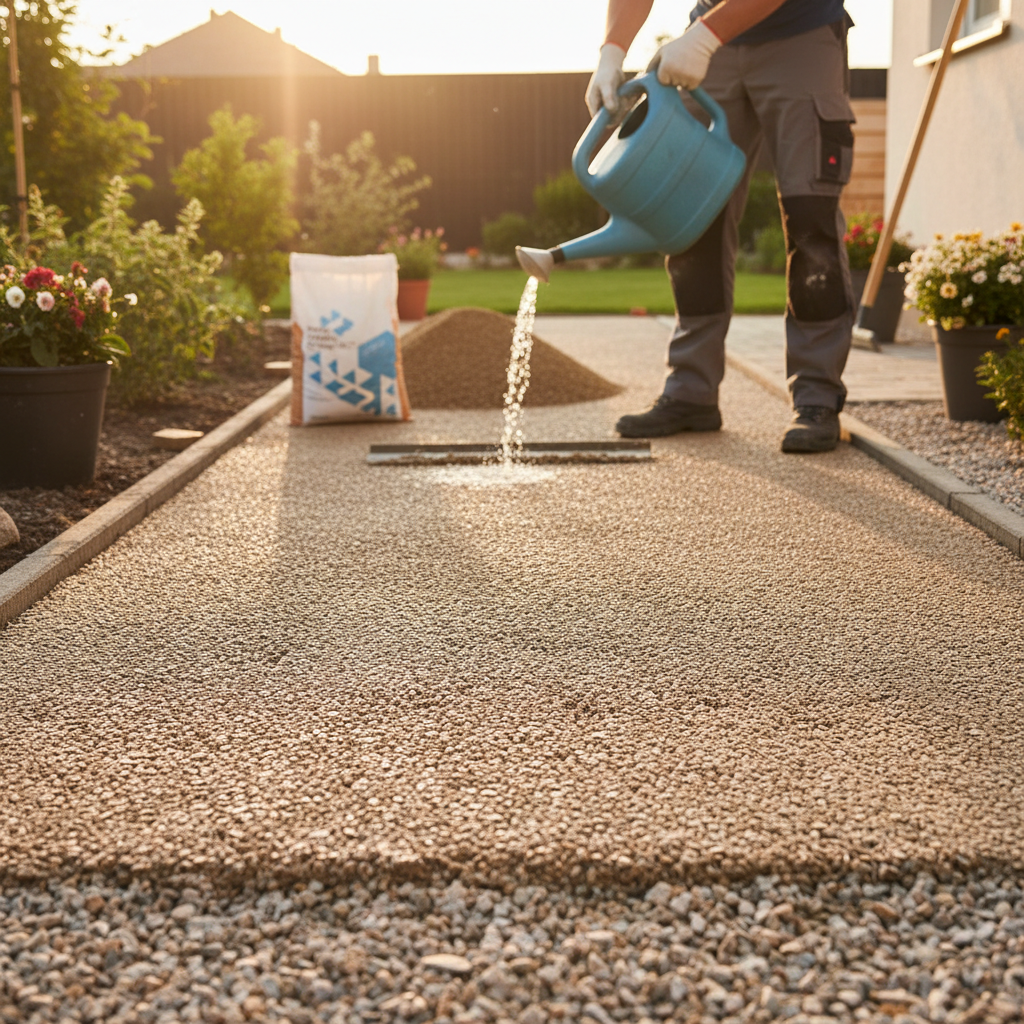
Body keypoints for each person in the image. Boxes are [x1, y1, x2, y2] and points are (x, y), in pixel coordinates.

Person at [588, 0, 856, 452]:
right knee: (694, 220)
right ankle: (691, 390)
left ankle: (817, 398)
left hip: (801, 36)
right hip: (711, 44)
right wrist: (611, 51)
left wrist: (703, 36)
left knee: (812, 224)